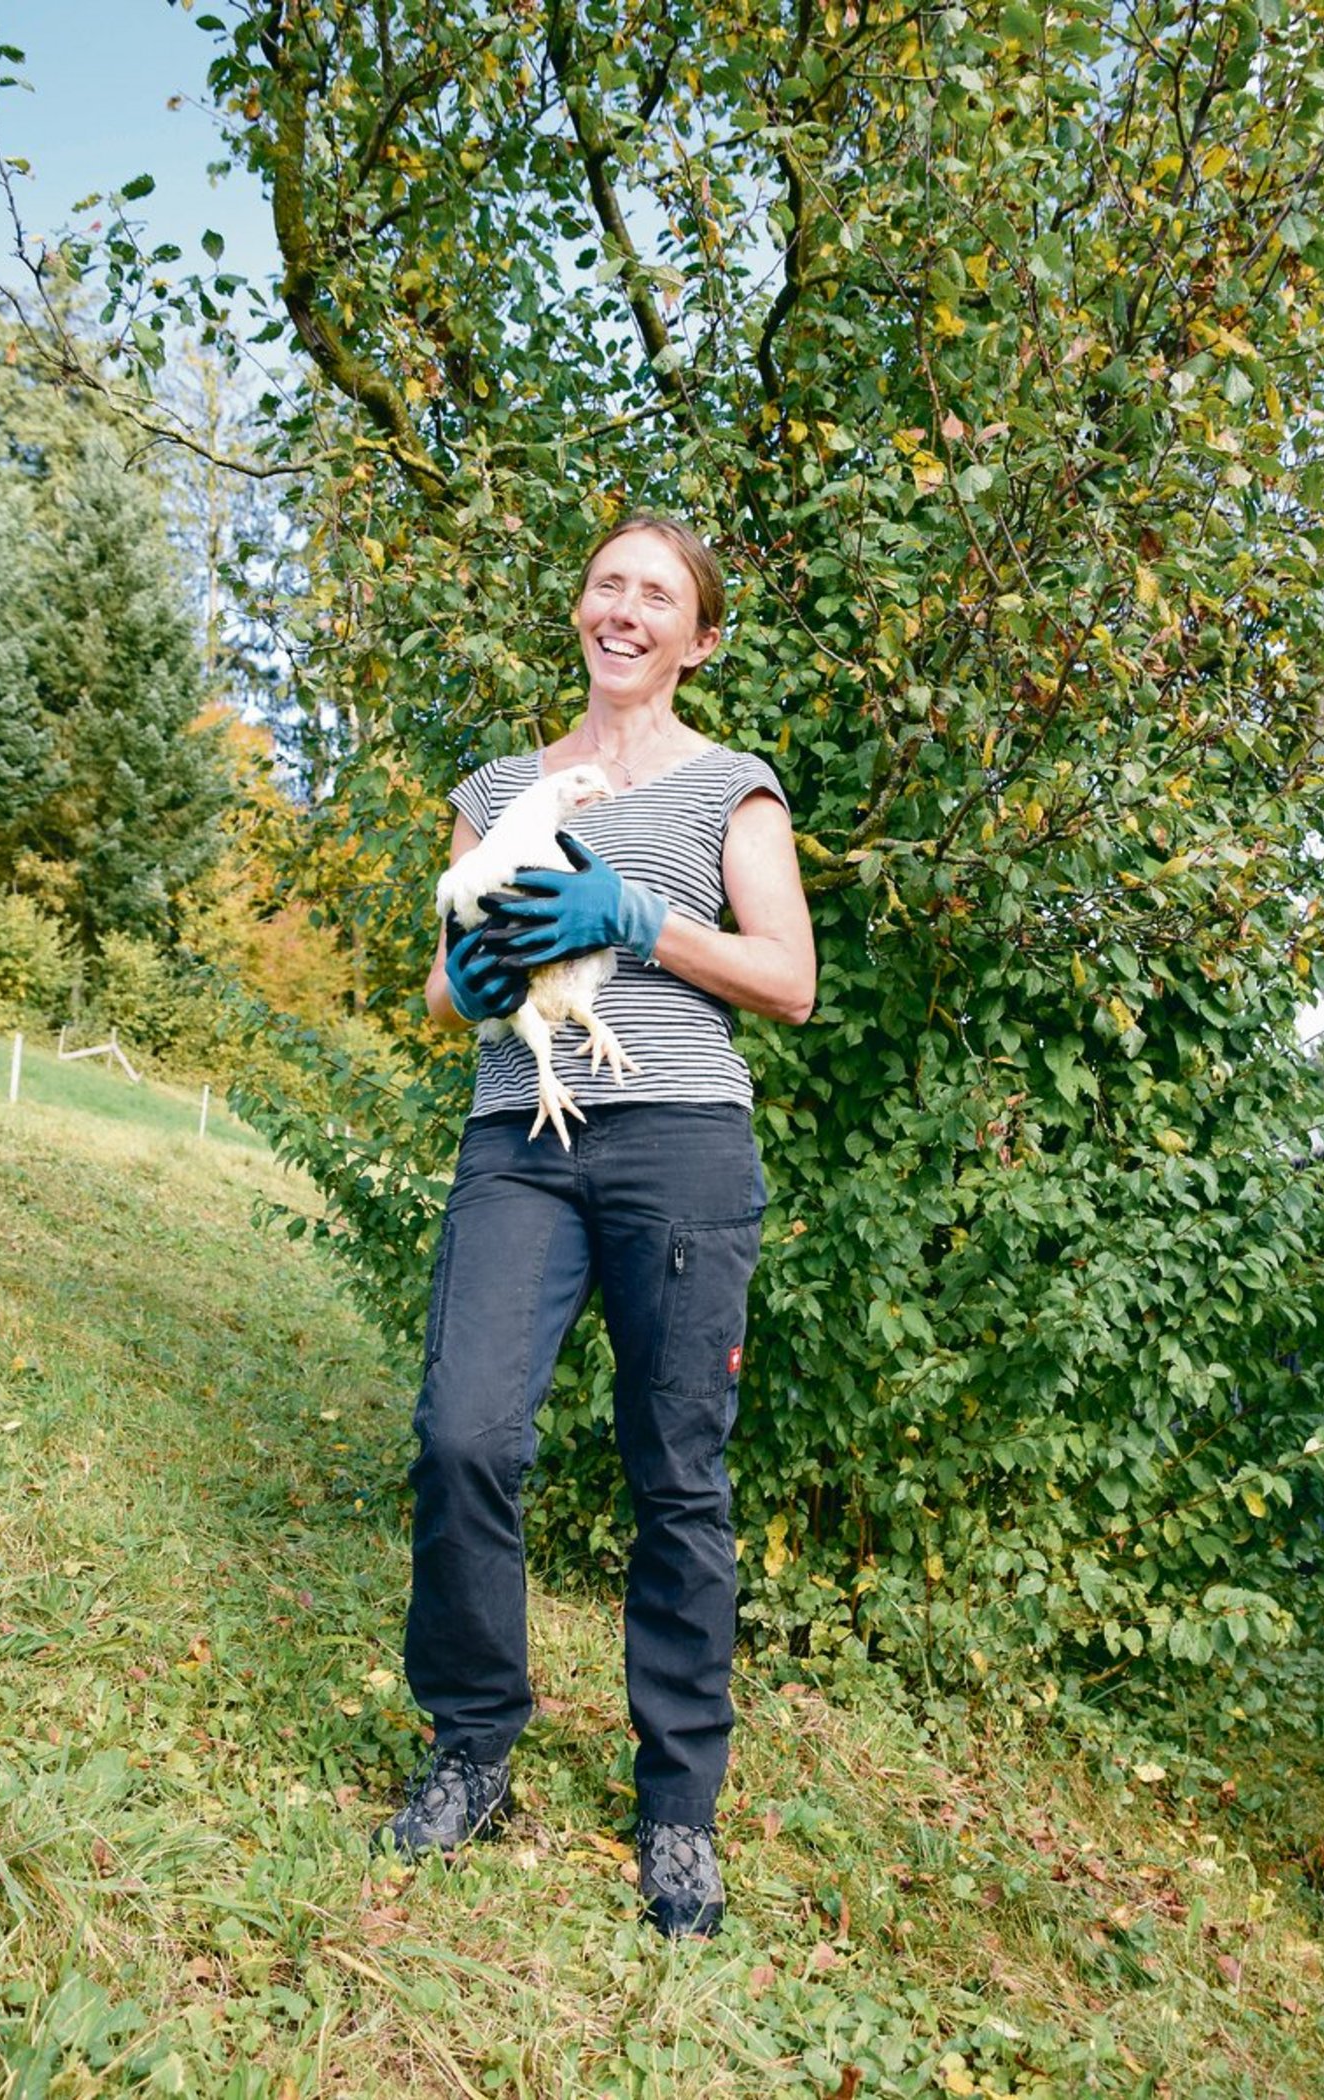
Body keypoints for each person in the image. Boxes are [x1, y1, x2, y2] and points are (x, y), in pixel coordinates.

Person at [370, 514, 816, 1938]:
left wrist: (634, 918)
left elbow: (789, 979)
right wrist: (472, 969)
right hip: (523, 1136)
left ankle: (679, 1810)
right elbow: (441, 993)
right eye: (607, 584)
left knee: (678, 1474)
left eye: (657, 595)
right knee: (465, 1433)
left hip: (681, 1143)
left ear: (699, 639)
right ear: (580, 609)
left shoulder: (734, 790)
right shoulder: (499, 787)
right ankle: (474, 1746)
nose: (625, 609)